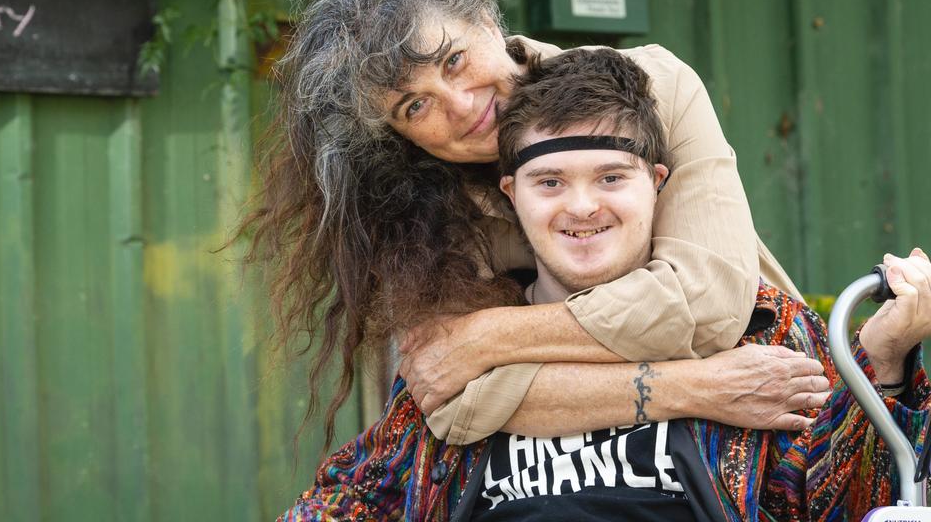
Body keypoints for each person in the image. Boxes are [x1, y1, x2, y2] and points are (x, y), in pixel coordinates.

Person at [279, 48, 931, 522]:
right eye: (550, 182)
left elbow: (857, 495)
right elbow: (353, 496)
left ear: (657, 182)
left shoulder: (763, 335)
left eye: (612, 177)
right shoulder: (462, 360)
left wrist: (887, 350)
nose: (582, 207)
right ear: (511, 197)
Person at [244, 0, 801, 444]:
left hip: (774, 417)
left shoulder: (656, 86)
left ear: (487, 21)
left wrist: (487, 337)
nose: (459, 106)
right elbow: (455, 399)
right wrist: (691, 388)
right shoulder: (420, 211)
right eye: (415, 106)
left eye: (453, 61)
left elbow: (708, 306)